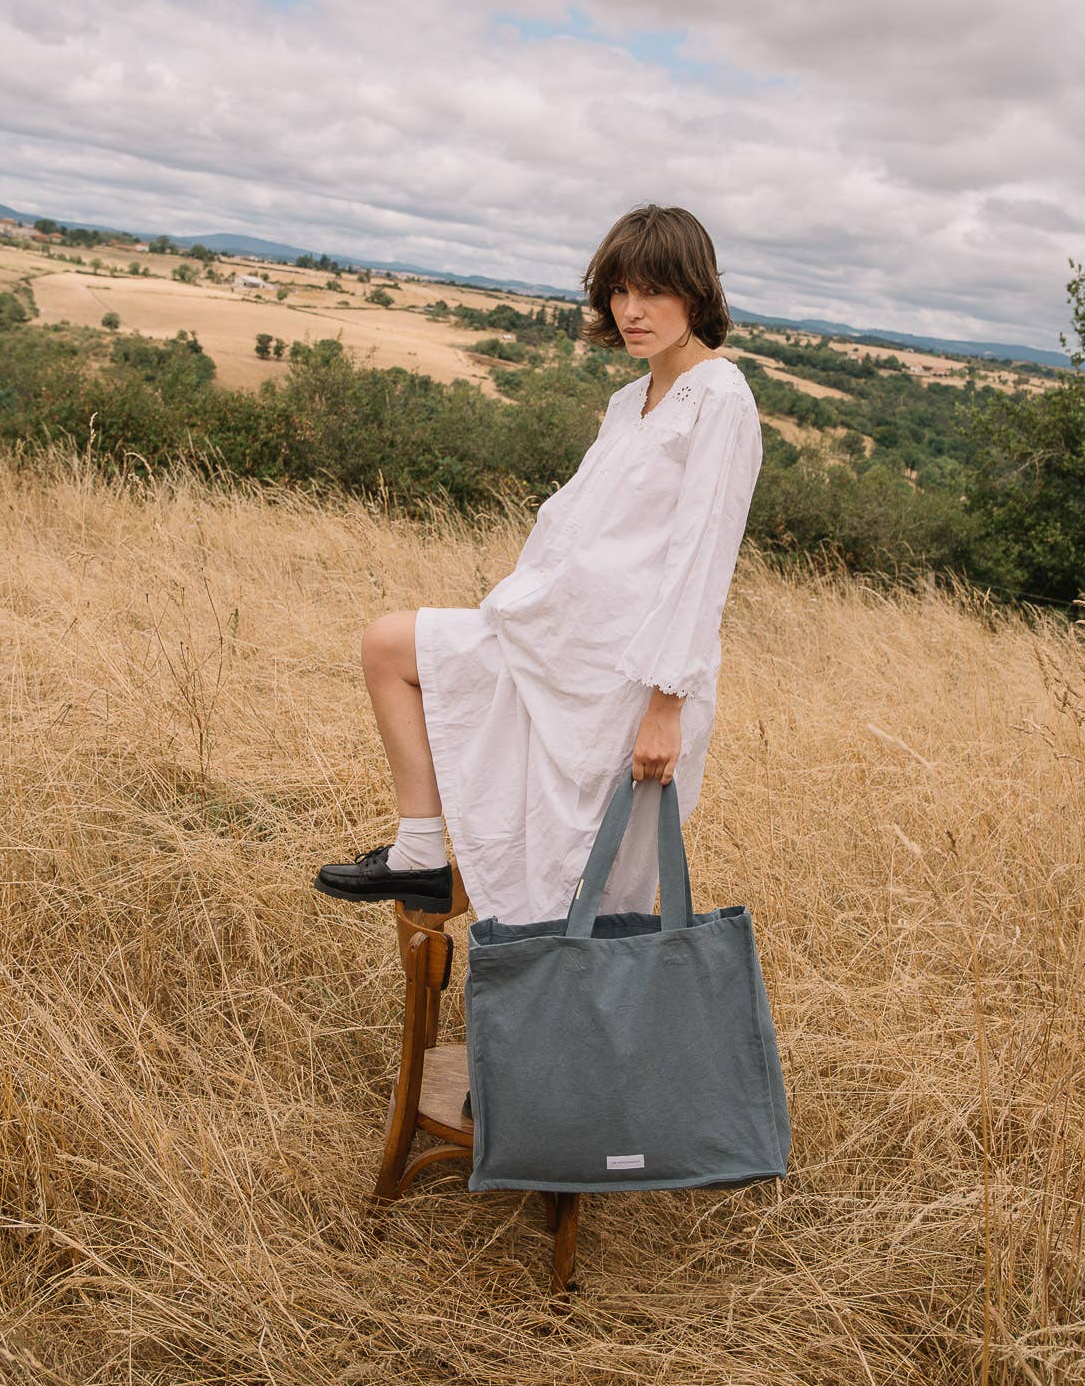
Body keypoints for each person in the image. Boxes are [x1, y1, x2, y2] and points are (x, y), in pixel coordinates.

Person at [314, 203, 764, 924]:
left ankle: (557, 1024)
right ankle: (421, 852)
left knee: (573, 889)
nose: (631, 310)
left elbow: (701, 561)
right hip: (554, 646)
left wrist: (666, 707)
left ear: (696, 292)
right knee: (388, 647)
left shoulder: (721, 397)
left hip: (623, 683)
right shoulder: (630, 399)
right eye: (618, 291)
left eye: (652, 290)